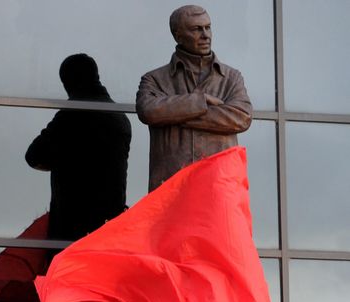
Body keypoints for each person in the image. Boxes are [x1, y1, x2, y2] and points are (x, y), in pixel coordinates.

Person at [136, 5, 252, 191]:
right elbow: (148, 110)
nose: (206, 35)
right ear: (178, 36)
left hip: (219, 188)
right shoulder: (155, 79)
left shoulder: (231, 77)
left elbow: (242, 117)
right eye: (197, 29)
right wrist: (200, 101)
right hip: (172, 189)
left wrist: (176, 115)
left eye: (208, 27)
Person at [26, 53, 131, 241]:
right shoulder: (120, 117)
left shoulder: (73, 116)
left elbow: (34, 155)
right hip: (110, 227)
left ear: (70, 82)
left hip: (74, 228)